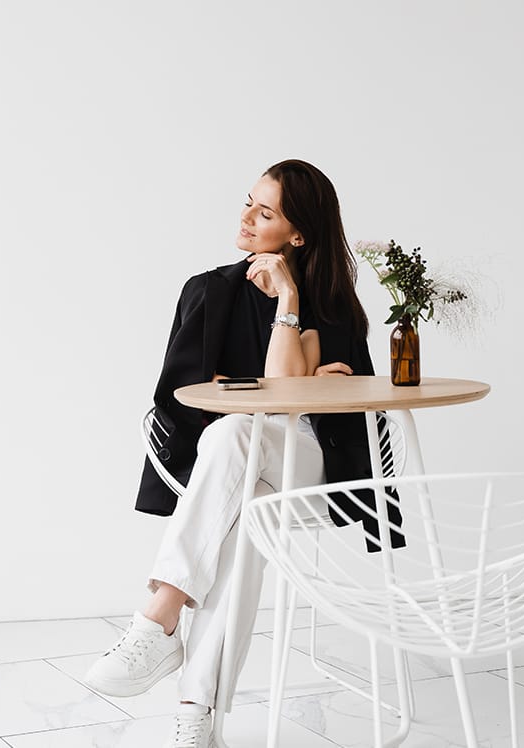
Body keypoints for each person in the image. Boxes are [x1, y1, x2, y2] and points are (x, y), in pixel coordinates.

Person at [84, 159, 404, 747]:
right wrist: (296, 383)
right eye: (248, 203)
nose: (247, 218)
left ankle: (160, 616)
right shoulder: (210, 291)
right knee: (246, 493)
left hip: (312, 465)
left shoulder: (330, 303)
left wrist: (288, 300)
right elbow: (181, 395)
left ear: (298, 233)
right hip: (235, 467)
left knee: (238, 431)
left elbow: (294, 398)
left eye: (266, 212)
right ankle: (196, 717)